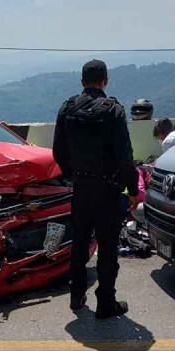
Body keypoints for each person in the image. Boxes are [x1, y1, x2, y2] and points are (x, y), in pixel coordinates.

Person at [53, 59, 139, 319]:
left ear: (82, 82)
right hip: (108, 189)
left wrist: (74, 176)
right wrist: (133, 189)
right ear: (106, 80)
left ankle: (76, 296)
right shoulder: (113, 110)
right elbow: (125, 155)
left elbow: (58, 151)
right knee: (108, 246)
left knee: (79, 243)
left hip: (81, 187)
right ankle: (106, 303)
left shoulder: (67, 107)